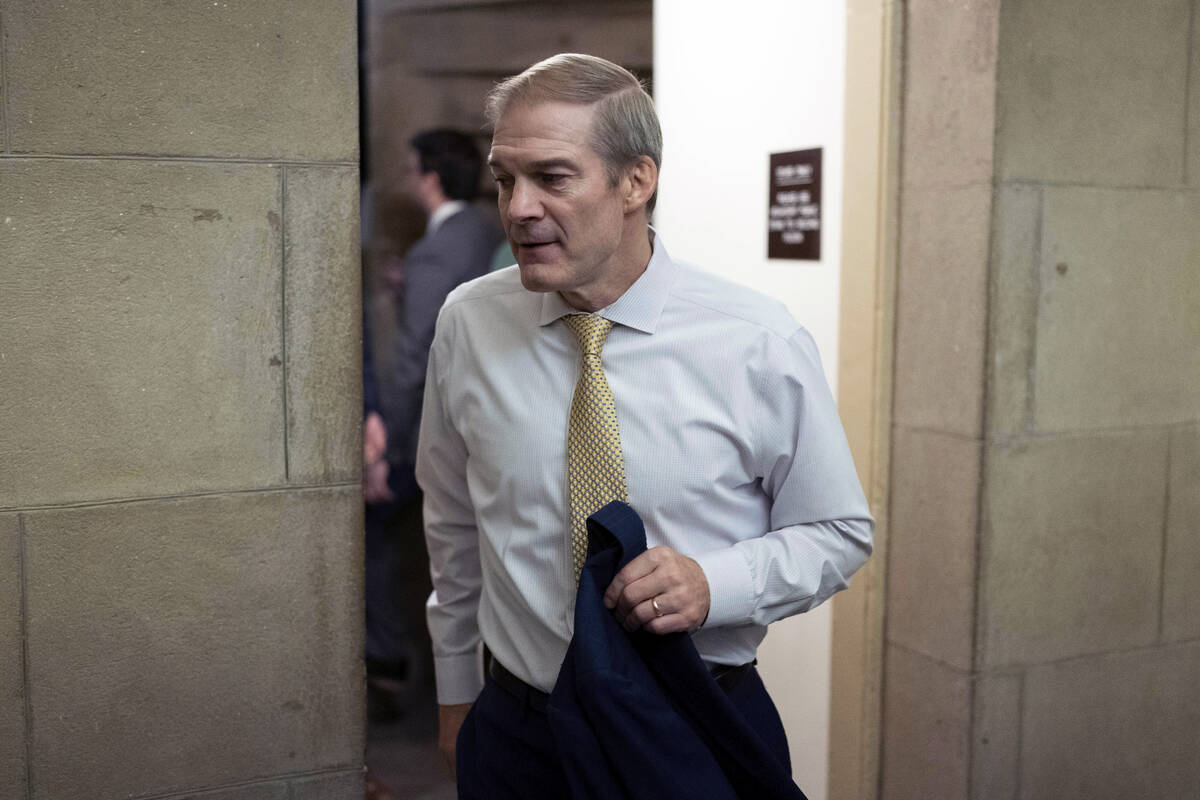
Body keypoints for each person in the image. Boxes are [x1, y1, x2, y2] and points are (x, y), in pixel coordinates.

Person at [416, 53, 873, 795]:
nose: (519, 208)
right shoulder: (469, 322)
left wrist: (711, 581)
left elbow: (838, 532)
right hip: (518, 731)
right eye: (505, 180)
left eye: (553, 178)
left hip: (691, 725)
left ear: (637, 181)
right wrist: (456, 691)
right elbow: (455, 522)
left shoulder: (756, 341)